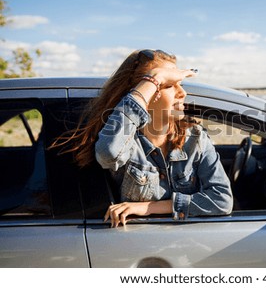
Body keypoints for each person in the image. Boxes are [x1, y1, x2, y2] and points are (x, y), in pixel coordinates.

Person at [56, 49, 233, 227]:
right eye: (169, 85)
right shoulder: (126, 141)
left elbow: (222, 200)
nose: (182, 93)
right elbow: (108, 152)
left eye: (180, 84)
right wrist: (154, 79)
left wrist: (149, 207)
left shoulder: (195, 138)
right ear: (146, 93)